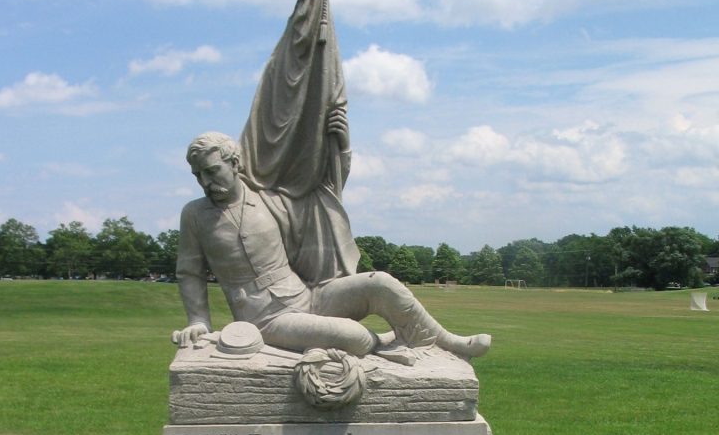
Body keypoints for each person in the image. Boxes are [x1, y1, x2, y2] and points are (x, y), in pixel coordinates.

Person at [173, 110, 490, 362]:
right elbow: (189, 272)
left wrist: (341, 145)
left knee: (380, 283)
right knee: (353, 336)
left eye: (212, 171)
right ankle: (388, 342)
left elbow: (323, 193)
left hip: (309, 297)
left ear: (234, 163)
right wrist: (198, 319)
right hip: (267, 320)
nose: (204, 181)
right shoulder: (195, 215)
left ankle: (445, 343)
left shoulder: (268, 200)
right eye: (198, 175)